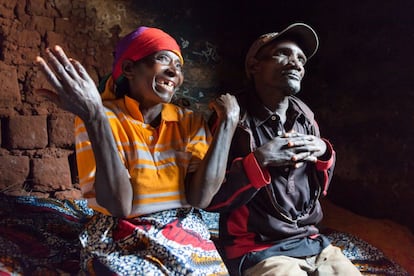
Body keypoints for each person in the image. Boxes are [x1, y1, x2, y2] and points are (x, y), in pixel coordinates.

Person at [35, 26, 239, 275]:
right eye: (163, 58)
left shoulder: (190, 122)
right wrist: (95, 117)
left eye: (179, 65)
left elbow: (200, 198)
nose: (175, 71)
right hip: (119, 232)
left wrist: (228, 124)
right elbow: (120, 206)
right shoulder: (101, 116)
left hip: (184, 228)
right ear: (129, 69)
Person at [206, 23, 362, 275]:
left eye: (301, 59)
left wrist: (324, 153)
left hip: (311, 241)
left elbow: (320, 189)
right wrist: (260, 160)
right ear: (254, 66)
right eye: (283, 54)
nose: (296, 63)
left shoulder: (305, 118)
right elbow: (210, 199)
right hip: (257, 247)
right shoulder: (232, 117)